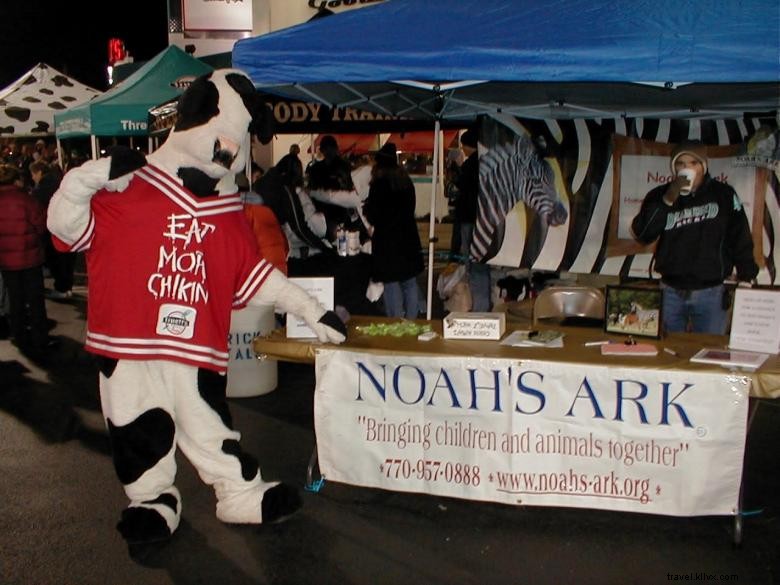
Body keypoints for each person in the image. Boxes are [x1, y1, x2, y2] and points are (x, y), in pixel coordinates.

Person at [630, 140, 758, 334]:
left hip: (711, 292)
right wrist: (667, 200)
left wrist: (747, 275)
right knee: (669, 353)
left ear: (703, 167)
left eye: (693, 163)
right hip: (670, 290)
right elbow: (643, 234)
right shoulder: (659, 195)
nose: (686, 168)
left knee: (709, 353)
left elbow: (739, 236)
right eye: (680, 164)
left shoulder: (724, 194)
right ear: (673, 168)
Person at [362, 143, 424, 318]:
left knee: (391, 282)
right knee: (410, 281)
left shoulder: (379, 184)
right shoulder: (406, 182)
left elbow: (374, 214)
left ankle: (395, 320)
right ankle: (412, 319)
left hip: (387, 240)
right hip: (408, 237)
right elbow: (411, 207)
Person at [0, 164, 53, 356]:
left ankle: (20, 336)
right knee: (35, 300)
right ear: (16, 180)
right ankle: (40, 338)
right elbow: (41, 224)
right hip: (30, 258)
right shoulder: (26, 199)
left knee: (15, 300)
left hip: (6, 260)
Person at [451, 129, 491, 311]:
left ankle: (478, 307)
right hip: (485, 219)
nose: (462, 149)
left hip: (470, 218)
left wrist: (457, 168)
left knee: (474, 264)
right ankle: (483, 303)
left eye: (463, 146)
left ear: (469, 145)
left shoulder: (470, 165)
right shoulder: (486, 164)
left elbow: (461, 186)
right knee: (482, 263)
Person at [29, 160, 74, 299]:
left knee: (56, 260)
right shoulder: (59, 182)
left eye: (33, 174)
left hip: (53, 229)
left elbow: (38, 210)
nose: (32, 177)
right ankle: (66, 287)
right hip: (67, 226)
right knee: (66, 260)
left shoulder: (42, 189)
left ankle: (61, 288)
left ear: (39, 172)